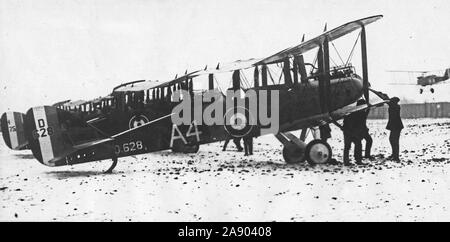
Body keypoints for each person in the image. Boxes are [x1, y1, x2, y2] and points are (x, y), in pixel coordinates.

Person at [386, 97, 403, 161]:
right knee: (393, 140)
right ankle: (394, 155)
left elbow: (389, 103)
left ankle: (396, 157)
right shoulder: (395, 106)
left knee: (394, 141)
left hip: (396, 126)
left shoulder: (395, 107)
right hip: (396, 126)